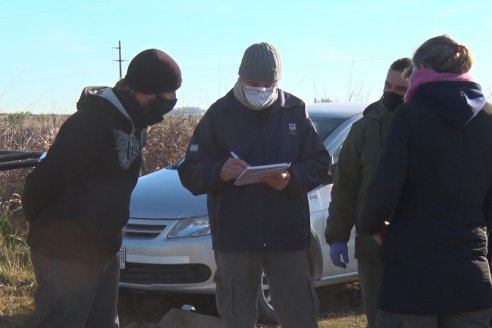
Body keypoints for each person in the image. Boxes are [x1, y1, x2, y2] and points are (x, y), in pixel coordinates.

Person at [21, 48, 182, 328]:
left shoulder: (135, 121)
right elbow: (43, 183)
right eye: (166, 99)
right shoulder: (89, 124)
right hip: (66, 254)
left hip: (105, 249)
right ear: (144, 93)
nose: (169, 106)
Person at [178, 42, 330, 328]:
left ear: (278, 81)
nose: (261, 89)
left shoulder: (294, 110)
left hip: (288, 237)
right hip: (236, 239)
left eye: (268, 83)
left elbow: (320, 163)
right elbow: (189, 171)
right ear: (240, 77)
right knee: (237, 316)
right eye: (253, 83)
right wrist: (219, 171)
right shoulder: (219, 114)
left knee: (300, 315)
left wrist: (291, 178)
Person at [358, 34, 492, 327]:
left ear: (422, 70)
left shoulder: (409, 115)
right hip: (471, 276)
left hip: (411, 276)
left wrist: (373, 226)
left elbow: (383, 188)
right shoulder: (488, 119)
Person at [324, 57, 411, 328]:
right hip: (372, 248)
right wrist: (337, 236)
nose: (391, 93)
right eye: (388, 86)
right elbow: (346, 186)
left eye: (400, 90)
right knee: (378, 318)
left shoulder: (424, 126)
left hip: (417, 248)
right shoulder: (364, 128)